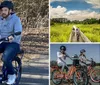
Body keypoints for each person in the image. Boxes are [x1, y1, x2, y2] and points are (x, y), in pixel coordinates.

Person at [0, 1, 22, 84]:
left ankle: (12, 75)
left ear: (10, 10)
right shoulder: (0, 19)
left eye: (5, 10)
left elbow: (18, 31)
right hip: (2, 42)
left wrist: (12, 36)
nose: (3, 12)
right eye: (1, 10)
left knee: (5, 58)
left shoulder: (16, 19)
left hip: (13, 43)